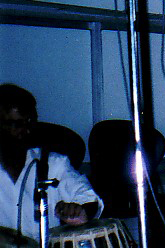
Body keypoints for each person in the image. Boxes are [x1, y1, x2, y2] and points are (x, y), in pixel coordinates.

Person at [0, 84, 103, 242]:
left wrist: (78, 211)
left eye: (30, 123)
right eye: (18, 124)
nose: (27, 131)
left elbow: (90, 200)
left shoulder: (53, 164)